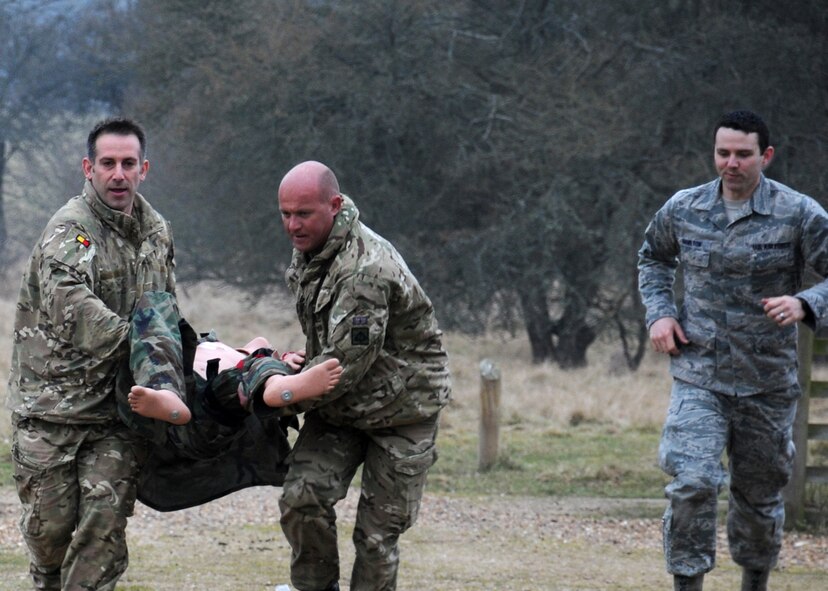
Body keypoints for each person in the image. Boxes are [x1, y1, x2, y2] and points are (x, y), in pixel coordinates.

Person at [638, 110, 828, 591]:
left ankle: (755, 580)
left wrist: (804, 301)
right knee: (692, 483)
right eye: (723, 153)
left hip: (766, 382)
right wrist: (660, 313)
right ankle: (687, 583)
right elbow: (653, 258)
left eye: (743, 154)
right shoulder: (684, 208)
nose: (731, 163)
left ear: (764, 156)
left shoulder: (798, 213)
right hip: (699, 374)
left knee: (759, 497)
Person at [6, 117, 175, 590]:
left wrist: (197, 354)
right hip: (51, 412)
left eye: (127, 164)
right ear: (88, 168)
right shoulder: (70, 231)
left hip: (117, 414)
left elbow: (163, 310)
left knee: (102, 528)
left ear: (145, 168)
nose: (118, 174)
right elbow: (74, 309)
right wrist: (143, 349)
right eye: (107, 164)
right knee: (50, 539)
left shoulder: (156, 233)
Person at [275, 160, 452, 591]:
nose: (293, 225)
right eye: (285, 214)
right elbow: (333, 346)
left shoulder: (366, 270)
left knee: (376, 535)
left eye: (304, 213)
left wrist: (276, 394)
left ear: (334, 206)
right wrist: (299, 362)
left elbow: (343, 365)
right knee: (303, 497)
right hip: (342, 408)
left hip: (402, 413)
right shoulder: (313, 249)